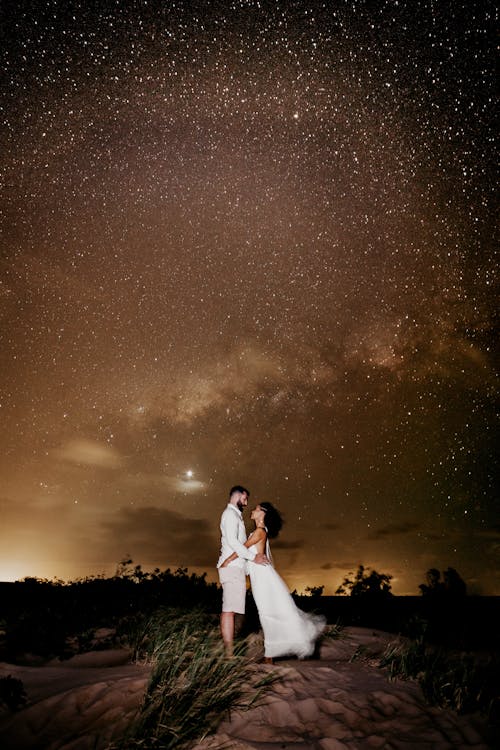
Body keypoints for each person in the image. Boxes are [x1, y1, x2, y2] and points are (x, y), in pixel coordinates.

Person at [220, 502, 326, 661]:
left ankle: (269, 655)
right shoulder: (261, 531)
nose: (253, 510)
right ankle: (271, 652)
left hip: (263, 577)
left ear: (263, 513)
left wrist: (227, 561)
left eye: (256, 509)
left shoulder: (259, 532)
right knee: (267, 612)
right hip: (259, 576)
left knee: (266, 612)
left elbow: (242, 549)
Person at [217, 485, 268, 654]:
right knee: (229, 611)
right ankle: (229, 654)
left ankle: (229, 651)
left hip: (235, 568)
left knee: (231, 610)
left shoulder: (235, 515)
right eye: (245, 499)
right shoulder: (230, 514)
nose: (246, 504)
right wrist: (253, 558)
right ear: (237, 496)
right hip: (231, 568)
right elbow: (232, 541)